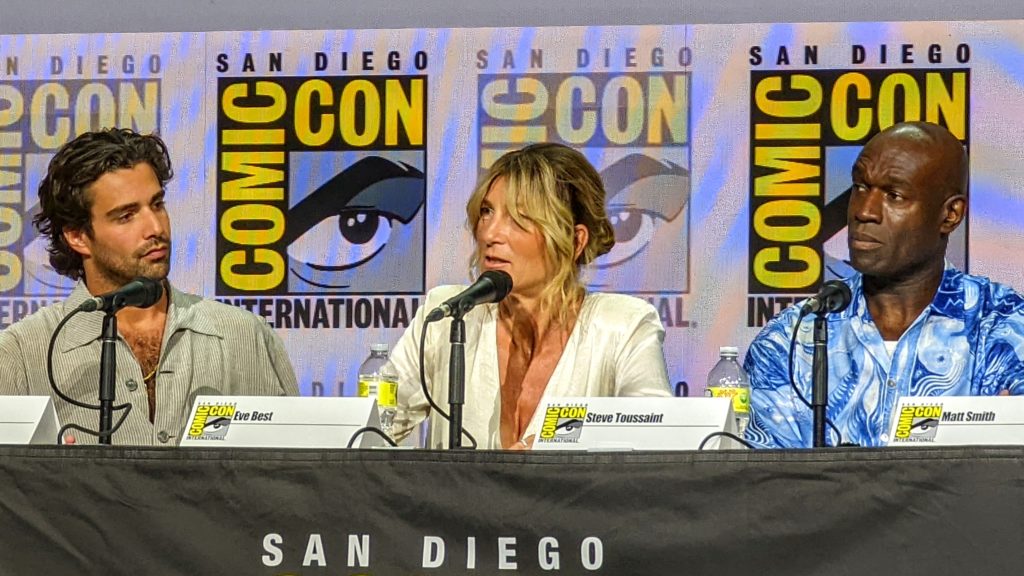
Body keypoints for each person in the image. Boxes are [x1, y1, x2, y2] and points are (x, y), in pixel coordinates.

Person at [0, 128, 298, 445]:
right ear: (78, 237)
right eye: (126, 216)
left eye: (157, 205)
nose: (155, 228)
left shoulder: (243, 335)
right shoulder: (22, 355)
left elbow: (295, 477)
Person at [745, 121, 1024, 449]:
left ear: (950, 215)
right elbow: (765, 486)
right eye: (860, 187)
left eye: (894, 195)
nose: (864, 211)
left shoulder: (1004, 328)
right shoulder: (791, 341)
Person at [388, 143, 672, 449]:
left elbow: (655, 434)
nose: (490, 234)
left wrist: (554, 440)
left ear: (575, 241)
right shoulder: (447, 313)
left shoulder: (622, 326)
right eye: (487, 212)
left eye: (518, 218)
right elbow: (373, 427)